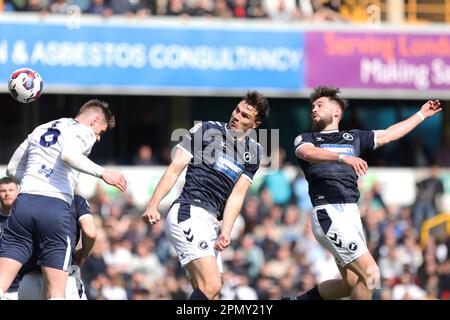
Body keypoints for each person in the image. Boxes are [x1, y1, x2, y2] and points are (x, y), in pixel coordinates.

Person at [287, 86, 441, 300]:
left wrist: (421, 114)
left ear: (336, 112)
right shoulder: (307, 139)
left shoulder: (354, 137)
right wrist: (342, 158)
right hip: (328, 213)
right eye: (313, 106)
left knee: (349, 284)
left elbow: (388, 134)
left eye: (320, 105)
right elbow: (307, 153)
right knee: (371, 273)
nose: (314, 109)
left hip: (351, 215)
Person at [142, 91, 270, 300]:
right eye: (237, 110)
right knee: (212, 285)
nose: (237, 116)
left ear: (255, 124)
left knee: (211, 294)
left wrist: (226, 231)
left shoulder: (254, 152)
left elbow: (237, 197)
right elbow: (175, 168)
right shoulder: (207, 129)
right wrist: (153, 204)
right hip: (189, 212)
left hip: (211, 223)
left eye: (245, 116)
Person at [0, 99, 127, 300]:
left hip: (23, 204)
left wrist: (37, 179)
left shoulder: (41, 128)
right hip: (53, 207)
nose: (99, 138)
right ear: (94, 120)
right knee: (57, 294)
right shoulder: (83, 131)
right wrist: (104, 173)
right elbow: (69, 155)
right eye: (101, 132)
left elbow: (12, 169)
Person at [18, 194, 96, 300]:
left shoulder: (27, 198)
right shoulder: (77, 200)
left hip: (28, 279)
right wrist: (83, 255)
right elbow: (90, 233)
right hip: (64, 277)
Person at [0, 177, 20, 300]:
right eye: (3, 191)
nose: (7, 194)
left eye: (11, 190)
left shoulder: (26, 219)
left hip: (23, 285)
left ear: (18, 192)